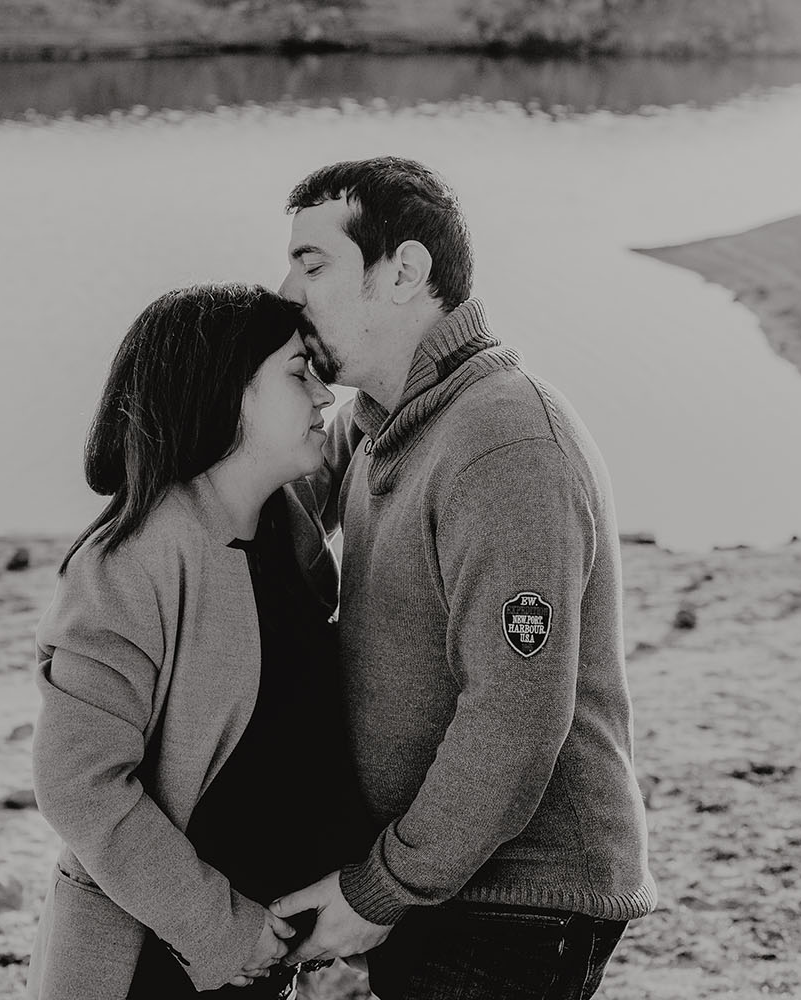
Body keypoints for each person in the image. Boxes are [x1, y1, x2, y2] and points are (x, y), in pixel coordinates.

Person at [269, 157, 658, 1000]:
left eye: (312, 265)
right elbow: (266, 510)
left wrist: (381, 888)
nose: (288, 293)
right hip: (443, 877)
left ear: (404, 272)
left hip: (519, 899)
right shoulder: (384, 418)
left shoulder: (505, 444)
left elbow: (515, 715)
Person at [26, 282, 369, 1000]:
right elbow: (78, 783)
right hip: (151, 968)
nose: (323, 395)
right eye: (299, 374)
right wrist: (219, 929)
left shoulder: (283, 529)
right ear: (225, 395)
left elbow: (358, 431)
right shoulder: (129, 563)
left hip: (259, 963)